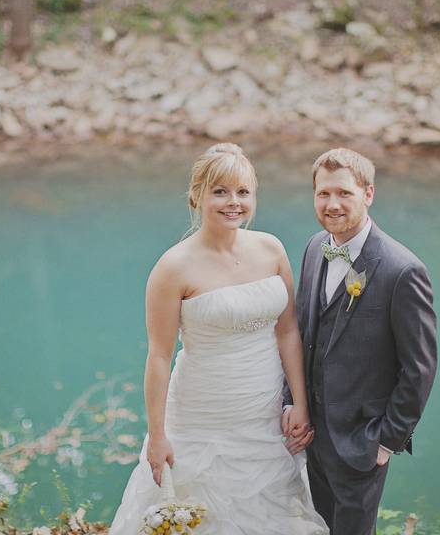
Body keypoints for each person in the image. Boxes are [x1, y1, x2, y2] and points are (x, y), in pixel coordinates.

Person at [109, 143, 328, 534]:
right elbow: (159, 356)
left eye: (243, 192)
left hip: (263, 412)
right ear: (197, 196)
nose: (233, 203)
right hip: (200, 415)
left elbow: (289, 330)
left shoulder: (271, 248)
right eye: (220, 192)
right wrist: (157, 436)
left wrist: (300, 402)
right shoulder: (173, 267)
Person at [283, 148, 438, 535]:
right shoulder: (315, 247)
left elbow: (419, 367)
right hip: (311, 436)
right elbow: (303, 331)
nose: (332, 204)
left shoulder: (403, 270)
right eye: (323, 194)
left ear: (368, 194)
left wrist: (386, 441)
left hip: (361, 444)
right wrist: (292, 400)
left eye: (344, 193)